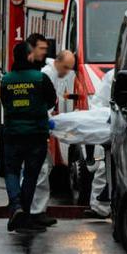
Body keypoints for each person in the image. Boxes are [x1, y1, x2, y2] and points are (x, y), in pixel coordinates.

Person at [1, 42, 58, 234]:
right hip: (36, 134)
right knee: (31, 176)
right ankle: (24, 216)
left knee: (12, 171)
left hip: (12, 134)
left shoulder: (6, 80)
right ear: (28, 56)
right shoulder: (40, 78)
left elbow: (5, 102)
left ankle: (16, 207)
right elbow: (52, 101)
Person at [31, 50, 76, 227]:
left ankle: (38, 209)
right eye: (65, 67)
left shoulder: (55, 75)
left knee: (45, 168)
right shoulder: (47, 75)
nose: (67, 71)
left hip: (42, 127)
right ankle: (36, 212)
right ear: (57, 62)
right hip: (38, 129)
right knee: (41, 171)